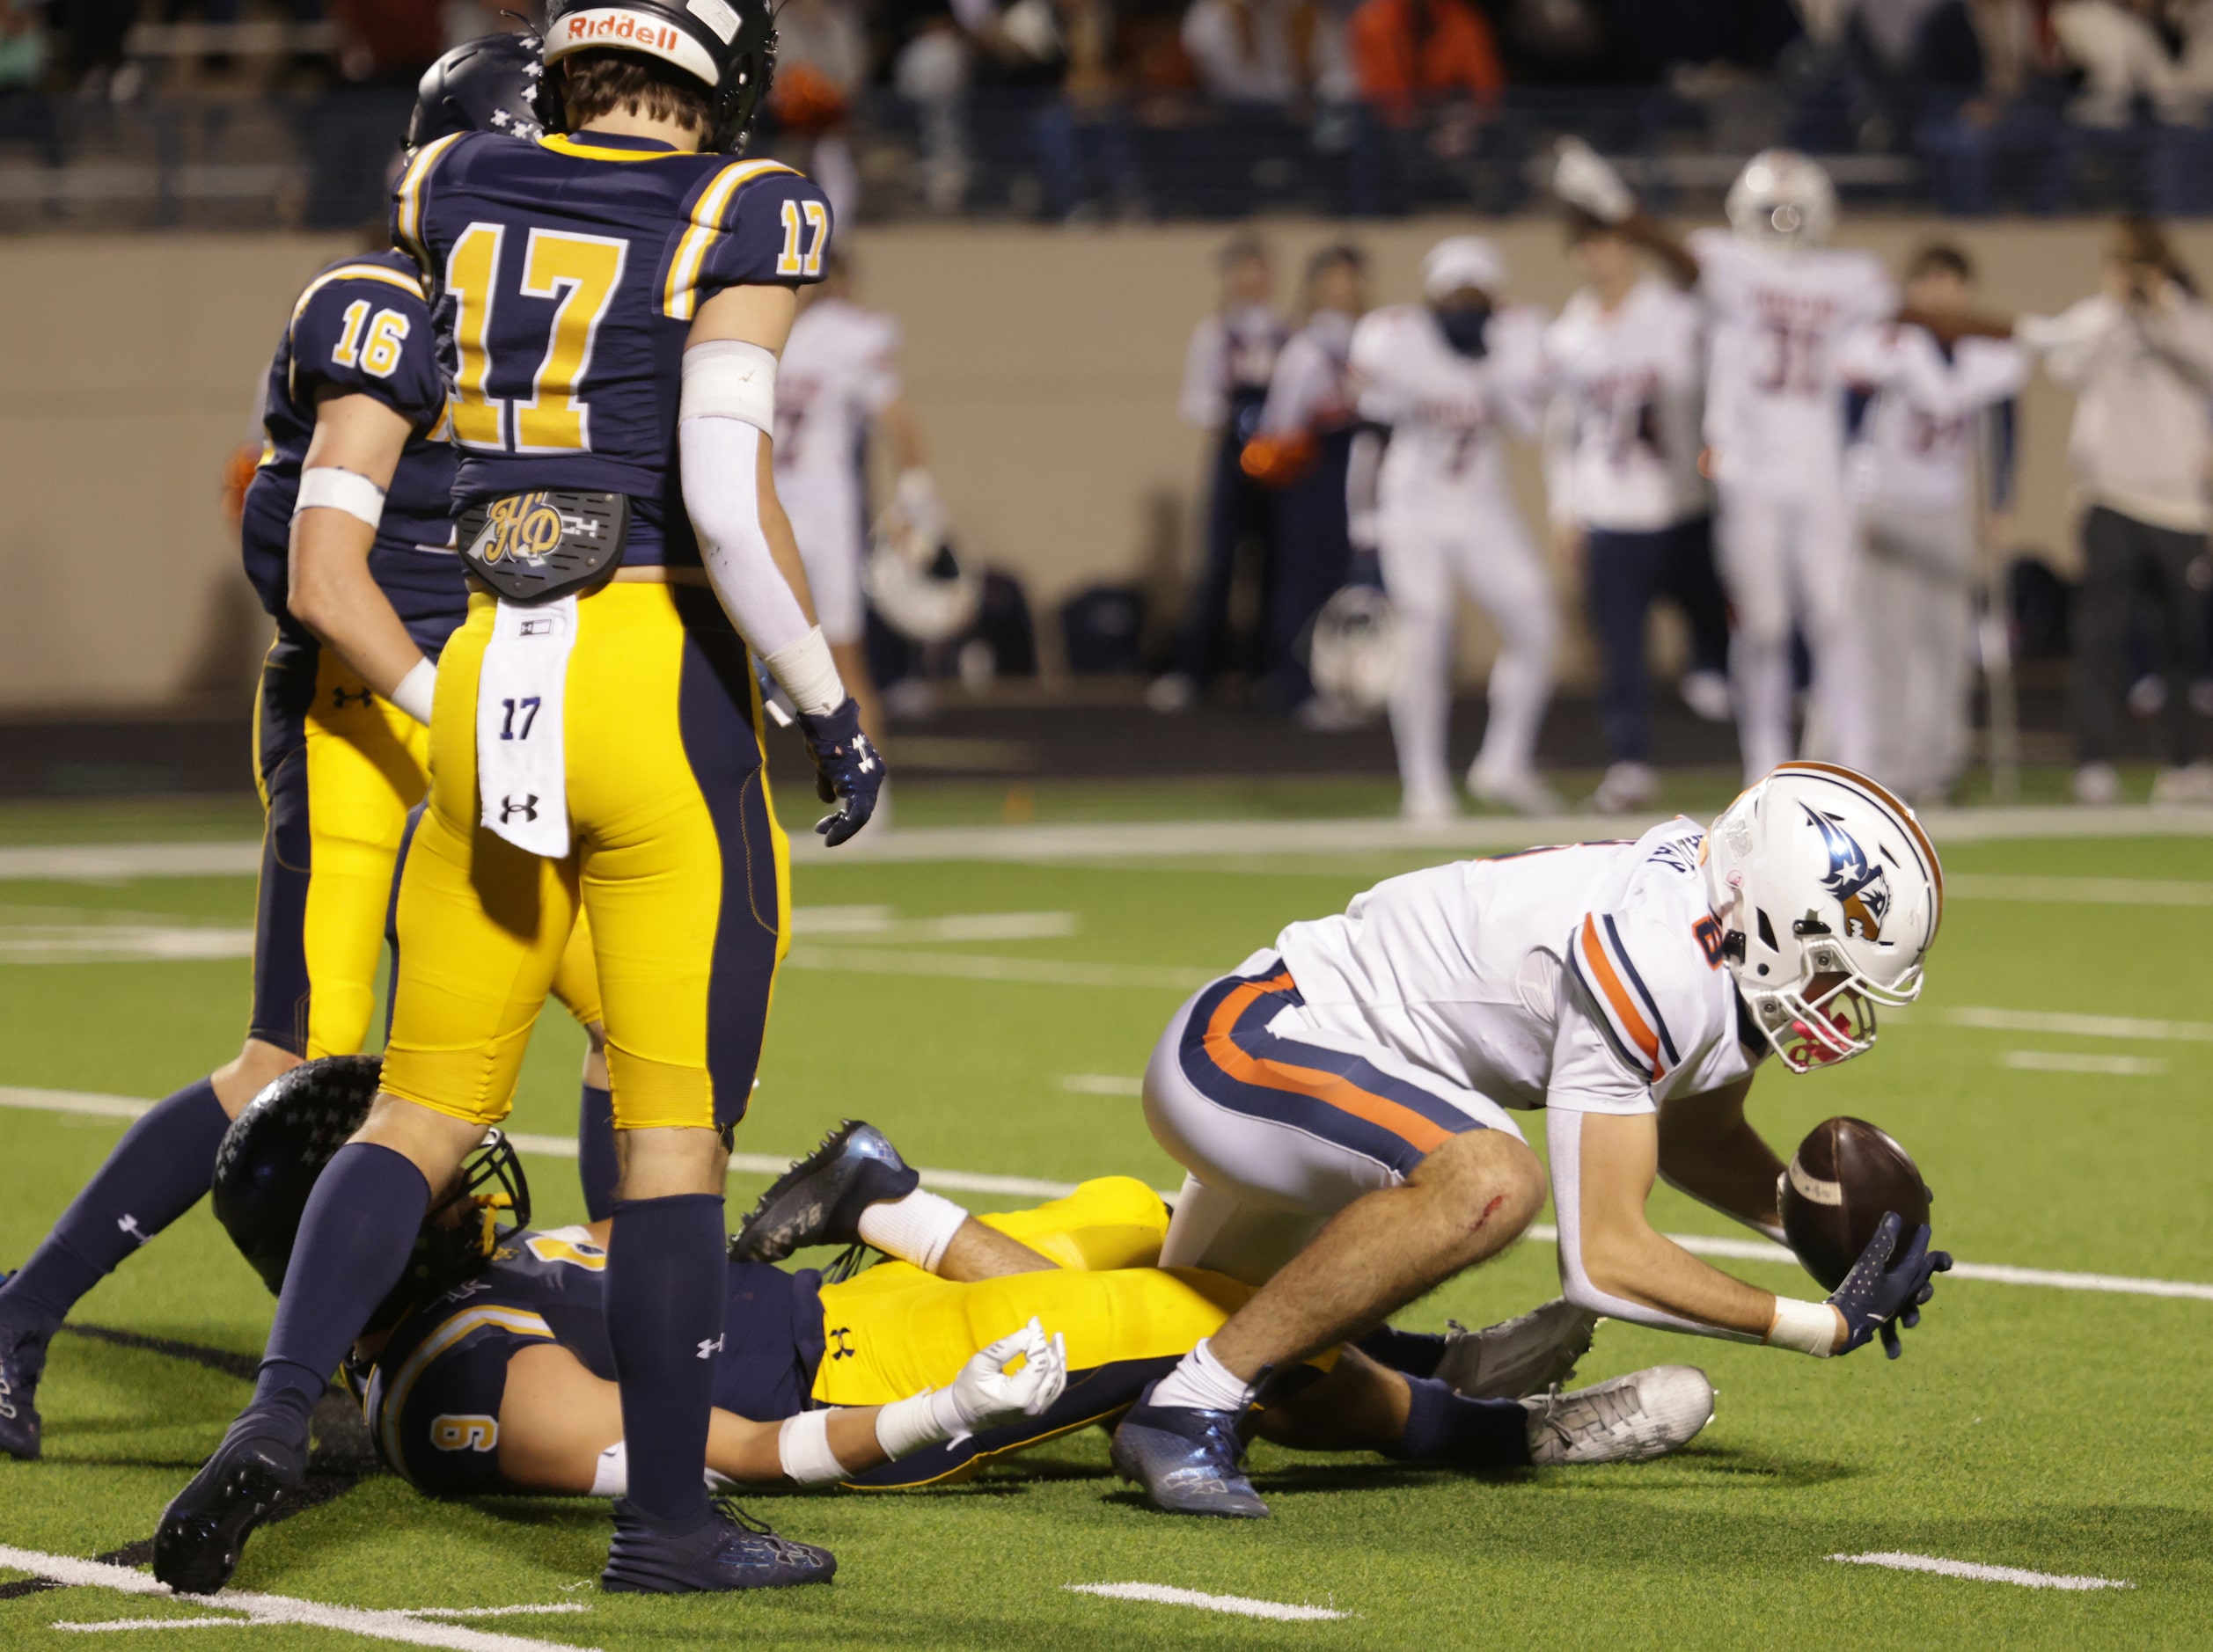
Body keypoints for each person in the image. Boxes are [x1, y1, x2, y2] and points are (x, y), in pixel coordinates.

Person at [155, 4, 887, 1598]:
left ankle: (279, 1416)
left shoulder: (459, 178)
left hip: (486, 667)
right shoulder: (745, 200)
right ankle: (671, 1520)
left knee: (421, 1105)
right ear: (720, 82)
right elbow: (721, 486)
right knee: (672, 1121)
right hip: (650, 661)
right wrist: (826, 704)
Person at [0, 34, 608, 1466]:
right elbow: (330, 581)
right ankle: (28, 1313)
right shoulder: (383, 308)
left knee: (653, 1018)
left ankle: (629, 1337)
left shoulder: (573, 341)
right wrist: (465, 705)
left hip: (486, 713)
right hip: (362, 713)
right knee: (298, 1059)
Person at [219, 1066, 1717, 1507]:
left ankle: (1420, 1347)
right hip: (865, 1383)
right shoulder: (460, 1375)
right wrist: (935, 1415)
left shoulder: (468, 1288)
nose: (451, 1166)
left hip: (859, 1317)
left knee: (1136, 1215)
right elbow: (723, 1454)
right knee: (1191, 1325)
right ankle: (1491, 1425)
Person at [1111, 762, 1952, 1517]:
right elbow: (1604, 1259)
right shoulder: (1658, 958)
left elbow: (1698, 1135)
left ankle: (1431, 1374)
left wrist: (1819, 1231)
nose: (1837, 997)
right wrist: (1816, 1325)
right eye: (1831, 964)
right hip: (1250, 1048)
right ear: (1769, 911)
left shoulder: (1706, 933)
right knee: (1489, 1178)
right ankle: (1190, 1406)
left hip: (1317, 1064)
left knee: (1281, 1381)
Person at [1553, 142, 1896, 785]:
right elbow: (1671, 251)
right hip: (1748, 472)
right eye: (1771, 212)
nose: (1782, 225)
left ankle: (1857, 766)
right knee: (1761, 624)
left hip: (1821, 468)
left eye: (1791, 213)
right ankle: (1763, 771)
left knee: (1834, 616)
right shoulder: (1727, 263)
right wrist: (1615, 206)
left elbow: (1896, 335)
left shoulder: (1850, 277)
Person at [1348, 236, 1557, 819]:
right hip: (1411, 506)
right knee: (1425, 634)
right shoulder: (1395, 338)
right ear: (1432, 296)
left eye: (1476, 294)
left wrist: (1490, 366)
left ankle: (1504, 763)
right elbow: (1368, 437)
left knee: (1535, 619)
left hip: (1482, 507)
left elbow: (1526, 422)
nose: (1465, 305)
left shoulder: (1515, 335)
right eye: (1454, 294)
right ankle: (1423, 785)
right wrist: (1362, 524)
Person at [1543, 210, 1732, 816]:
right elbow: (1562, 430)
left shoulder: (1676, 315)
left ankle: (1764, 757)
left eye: (1607, 243)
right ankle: (1628, 765)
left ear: (1629, 247)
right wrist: (1564, 510)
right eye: (1586, 246)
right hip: (1609, 507)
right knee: (1620, 651)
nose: (1597, 256)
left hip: (1681, 504)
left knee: (1723, 637)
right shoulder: (1569, 332)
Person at [2022, 216, 2213, 806]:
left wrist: (2161, 311)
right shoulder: (2096, 319)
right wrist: (2113, 310)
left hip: (2177, 505)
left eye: (2139, 266)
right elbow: (2062, 363)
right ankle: (2093, 762)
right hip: (2108, 498)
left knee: (2182, 640)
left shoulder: (2188, 318)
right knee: (2099, 634)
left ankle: (2184, 763)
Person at [1836, 245, 2027, 804]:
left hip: (1946, 509)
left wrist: (1999, 503)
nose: (1940, 293)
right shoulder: (1886, 343)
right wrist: (1855, 503)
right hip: (1887, 507)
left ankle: (1937, 766)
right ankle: (1885, 770)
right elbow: (1850, 421)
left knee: (1946, 643)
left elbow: (2006, 426)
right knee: (1886, 643)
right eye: (1930, 281)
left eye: (1951, 281)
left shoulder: (1985, 351)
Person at [774, 245, 941, 753]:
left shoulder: (848, 336)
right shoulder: (750, 322)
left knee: (844, 658)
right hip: (758, 510)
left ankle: (870, 788)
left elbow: (900, 426)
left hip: (824, 511)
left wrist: (914, 504)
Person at [1150, 232, 1287, 714]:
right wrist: (1238, 416)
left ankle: (1266, 670)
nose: (1251, 279)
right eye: (1242, 269)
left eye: (1259, 268)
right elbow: (1197, 405)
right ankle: (1194, 671)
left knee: (1273, 565)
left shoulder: (1287, 332)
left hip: (1278, 458)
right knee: (1219, 566)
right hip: (1232, 455)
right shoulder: (1215, 334)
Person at [1242, 243, 1367, 720]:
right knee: (1304, 582)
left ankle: (1342, 683)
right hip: (1313, 473)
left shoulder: (1369, 339)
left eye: (1348, 279)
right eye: (1331, 280)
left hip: (1360, 472)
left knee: (1347, 584)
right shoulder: (1306, 349)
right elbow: (1280, 424)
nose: (1341, 289)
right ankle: (1297, 684)